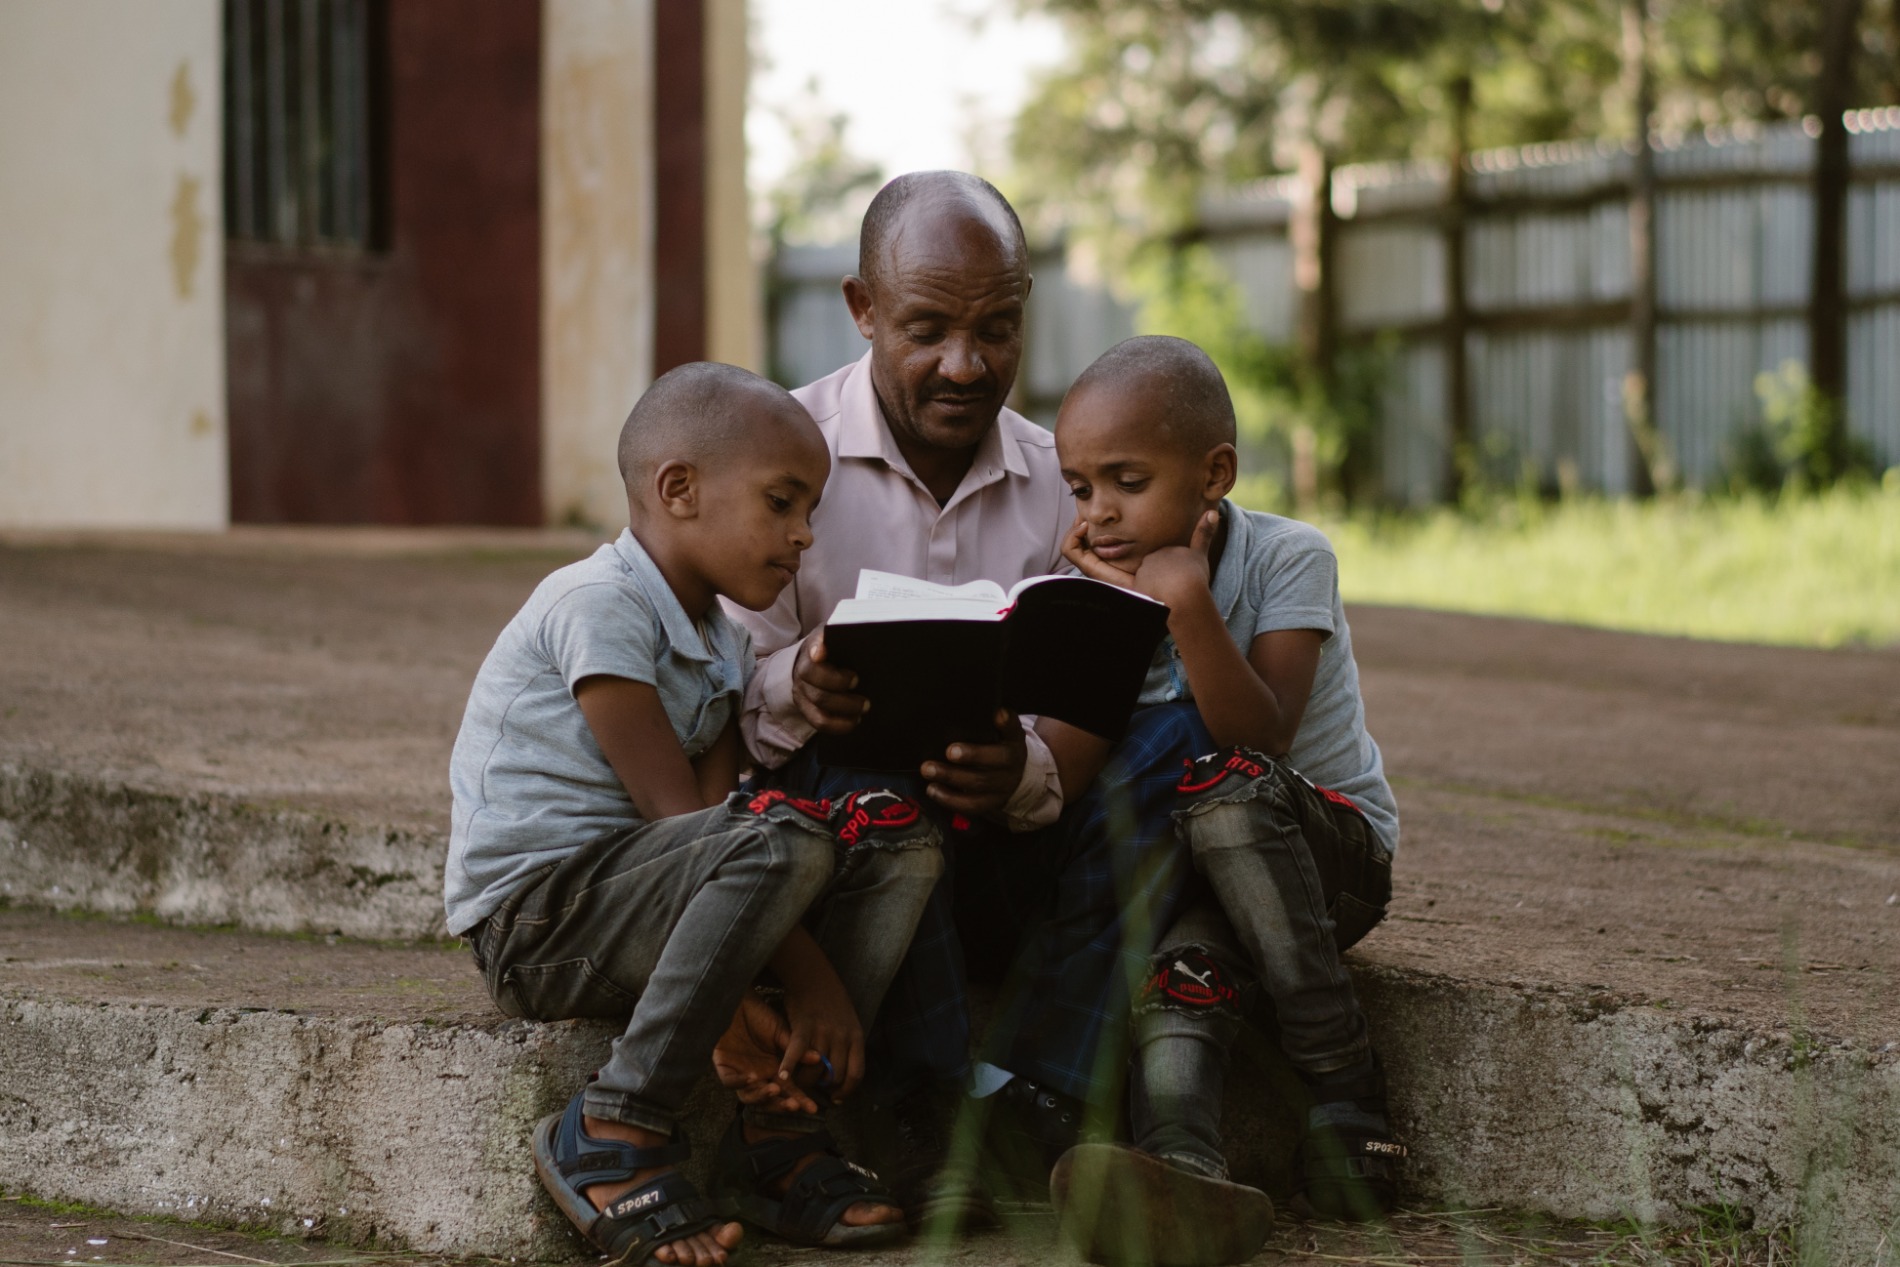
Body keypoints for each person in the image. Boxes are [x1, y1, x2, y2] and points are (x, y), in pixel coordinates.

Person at [725, 173, 1218, 1225]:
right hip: (851, 840)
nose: (967, 363)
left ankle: (1039, 1090)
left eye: (998, 327)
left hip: (1007, 846)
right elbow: (727, 701)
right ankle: (925, 1110)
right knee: (870, 788)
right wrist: (801, 680)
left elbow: (1088, 697)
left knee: (1177, 743)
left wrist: (1025, 770)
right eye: (928, 328)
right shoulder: (776, 458)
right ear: (862, 308)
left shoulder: (1062, 479)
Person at [444, 363, 943, 1266]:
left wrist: (757, 982)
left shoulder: (719, 640)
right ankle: (613, 1123)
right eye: (783, 503)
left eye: (811, 513)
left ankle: (781, 1130)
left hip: (651, 897)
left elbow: (717, 826)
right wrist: (812, 981)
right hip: (542, 919)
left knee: (894, 833)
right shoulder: (598, 605)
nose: (801, 538)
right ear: (678, 489)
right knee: (785, 829)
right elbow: (681, 816)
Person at [1038, 337, 1404, 1265]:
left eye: (1127, 479)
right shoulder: (1092, 583)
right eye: (1080, 488)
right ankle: (1181, 1174)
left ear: (1215, 474)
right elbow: (1071, 775)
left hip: (1326, 856)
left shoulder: (1289, 557)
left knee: (1229, 789)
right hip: (1192, 871)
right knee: (1183, 978)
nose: (1101, 511)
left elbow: (1261, 735)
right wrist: (1100, 620)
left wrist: (1185, 608)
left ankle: (1345, 1084)